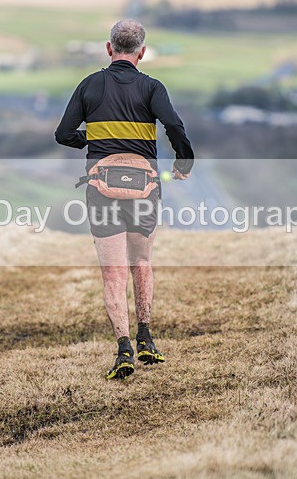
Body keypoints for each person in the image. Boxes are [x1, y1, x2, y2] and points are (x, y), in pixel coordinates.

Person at [55, 19, 194, 379]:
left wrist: (91, 142)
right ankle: (146, 337)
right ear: (142, 52)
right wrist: (184, 159)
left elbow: (63, 133)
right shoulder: (152, 87)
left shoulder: (90, 85)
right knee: (141, 262)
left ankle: (124, 349)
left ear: (109, 48)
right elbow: (174, 126)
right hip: (144, 188)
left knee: (113, 273)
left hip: (101, 189)